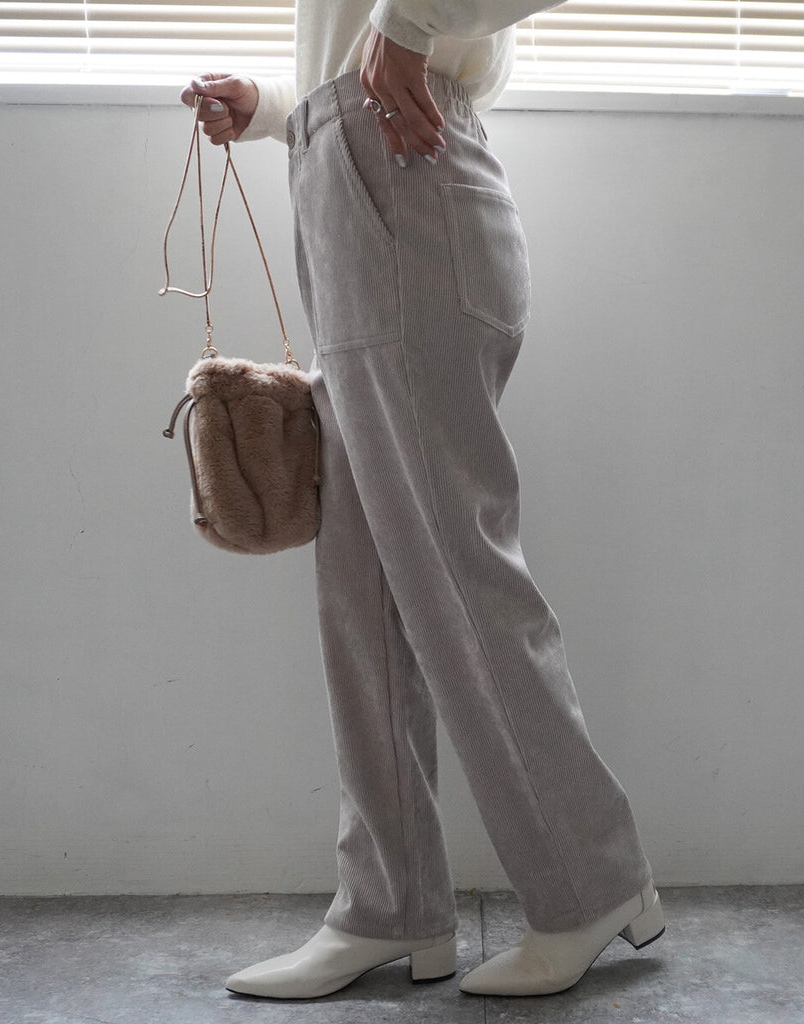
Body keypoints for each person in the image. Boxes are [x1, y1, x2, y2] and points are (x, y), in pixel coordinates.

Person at [181, 0, 664, 1000]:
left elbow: (406, 37)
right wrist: (273, 105)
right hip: (351, 180)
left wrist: (405, 22)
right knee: (361, 591)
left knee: (454, 577)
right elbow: (350, 45)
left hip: (401, 179)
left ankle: (590, 884)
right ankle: (386, 905)